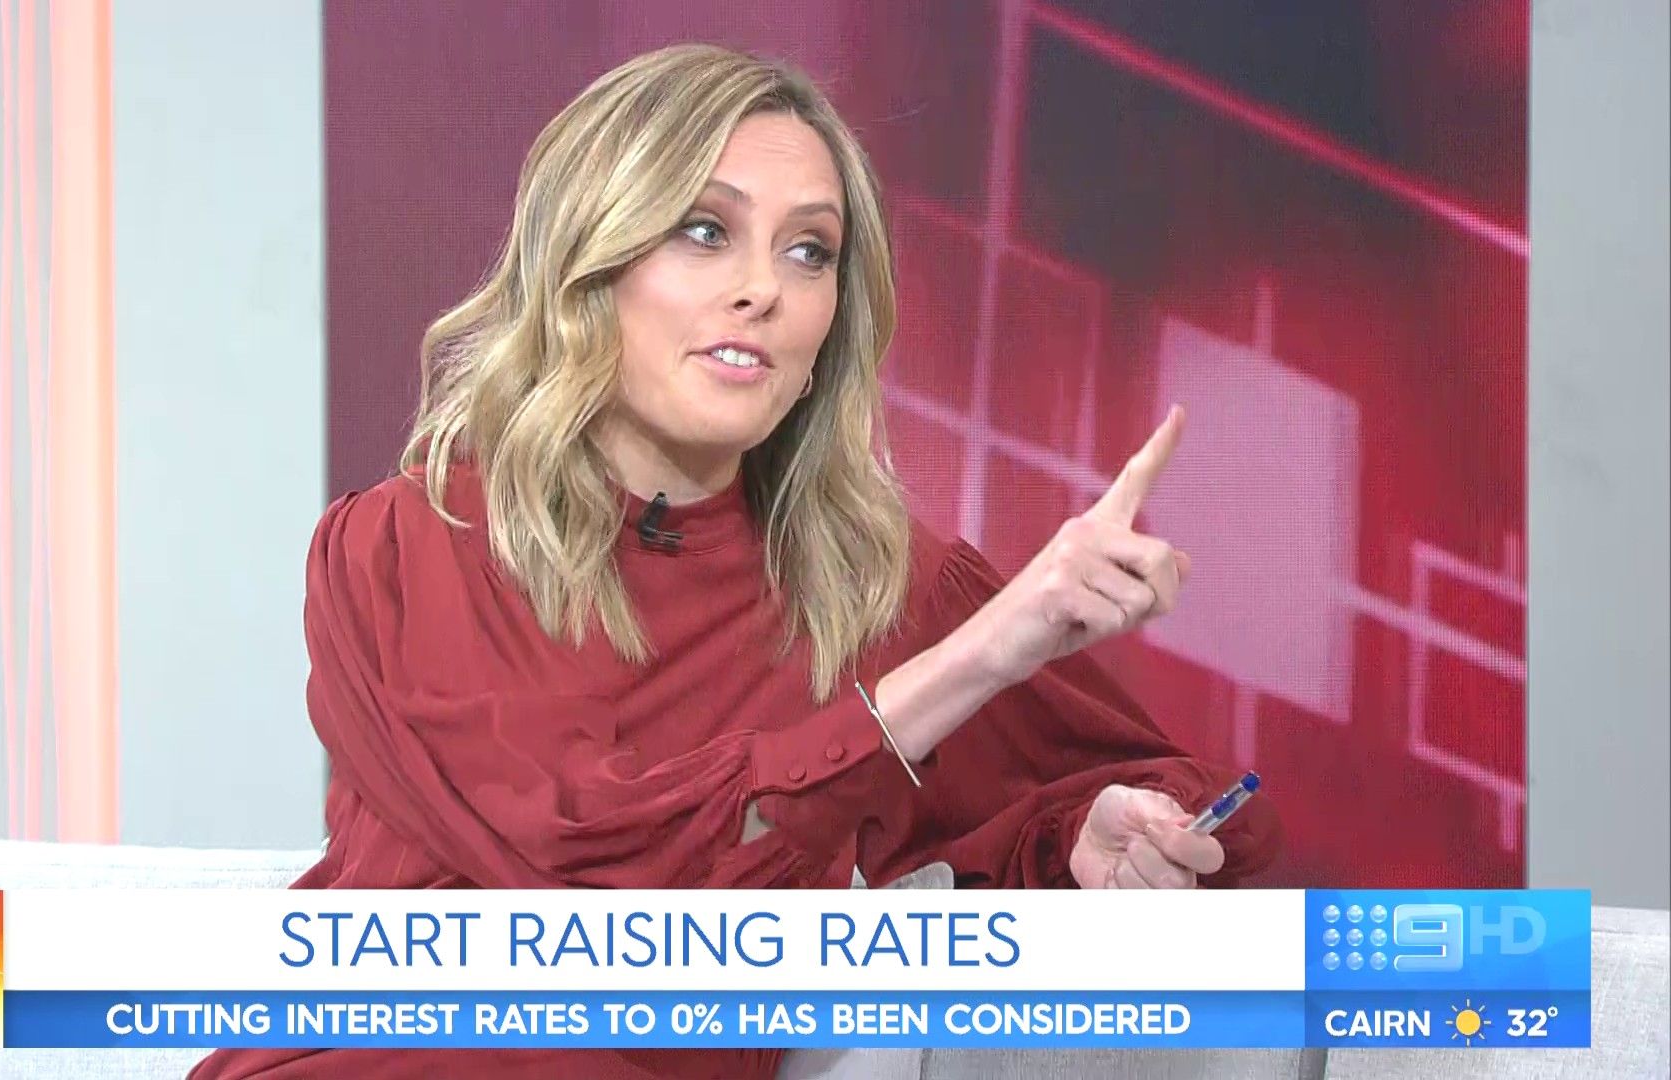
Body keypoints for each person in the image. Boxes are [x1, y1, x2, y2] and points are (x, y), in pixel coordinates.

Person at [192, 42, 1279, 1080]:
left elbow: (1196, 818)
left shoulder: (875, 593)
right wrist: (975, 660)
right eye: (705, 231)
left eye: (810, 252)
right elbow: (600, 889)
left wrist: (1094, 838)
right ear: (588, 266)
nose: (764, 289)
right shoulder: (407, 546)